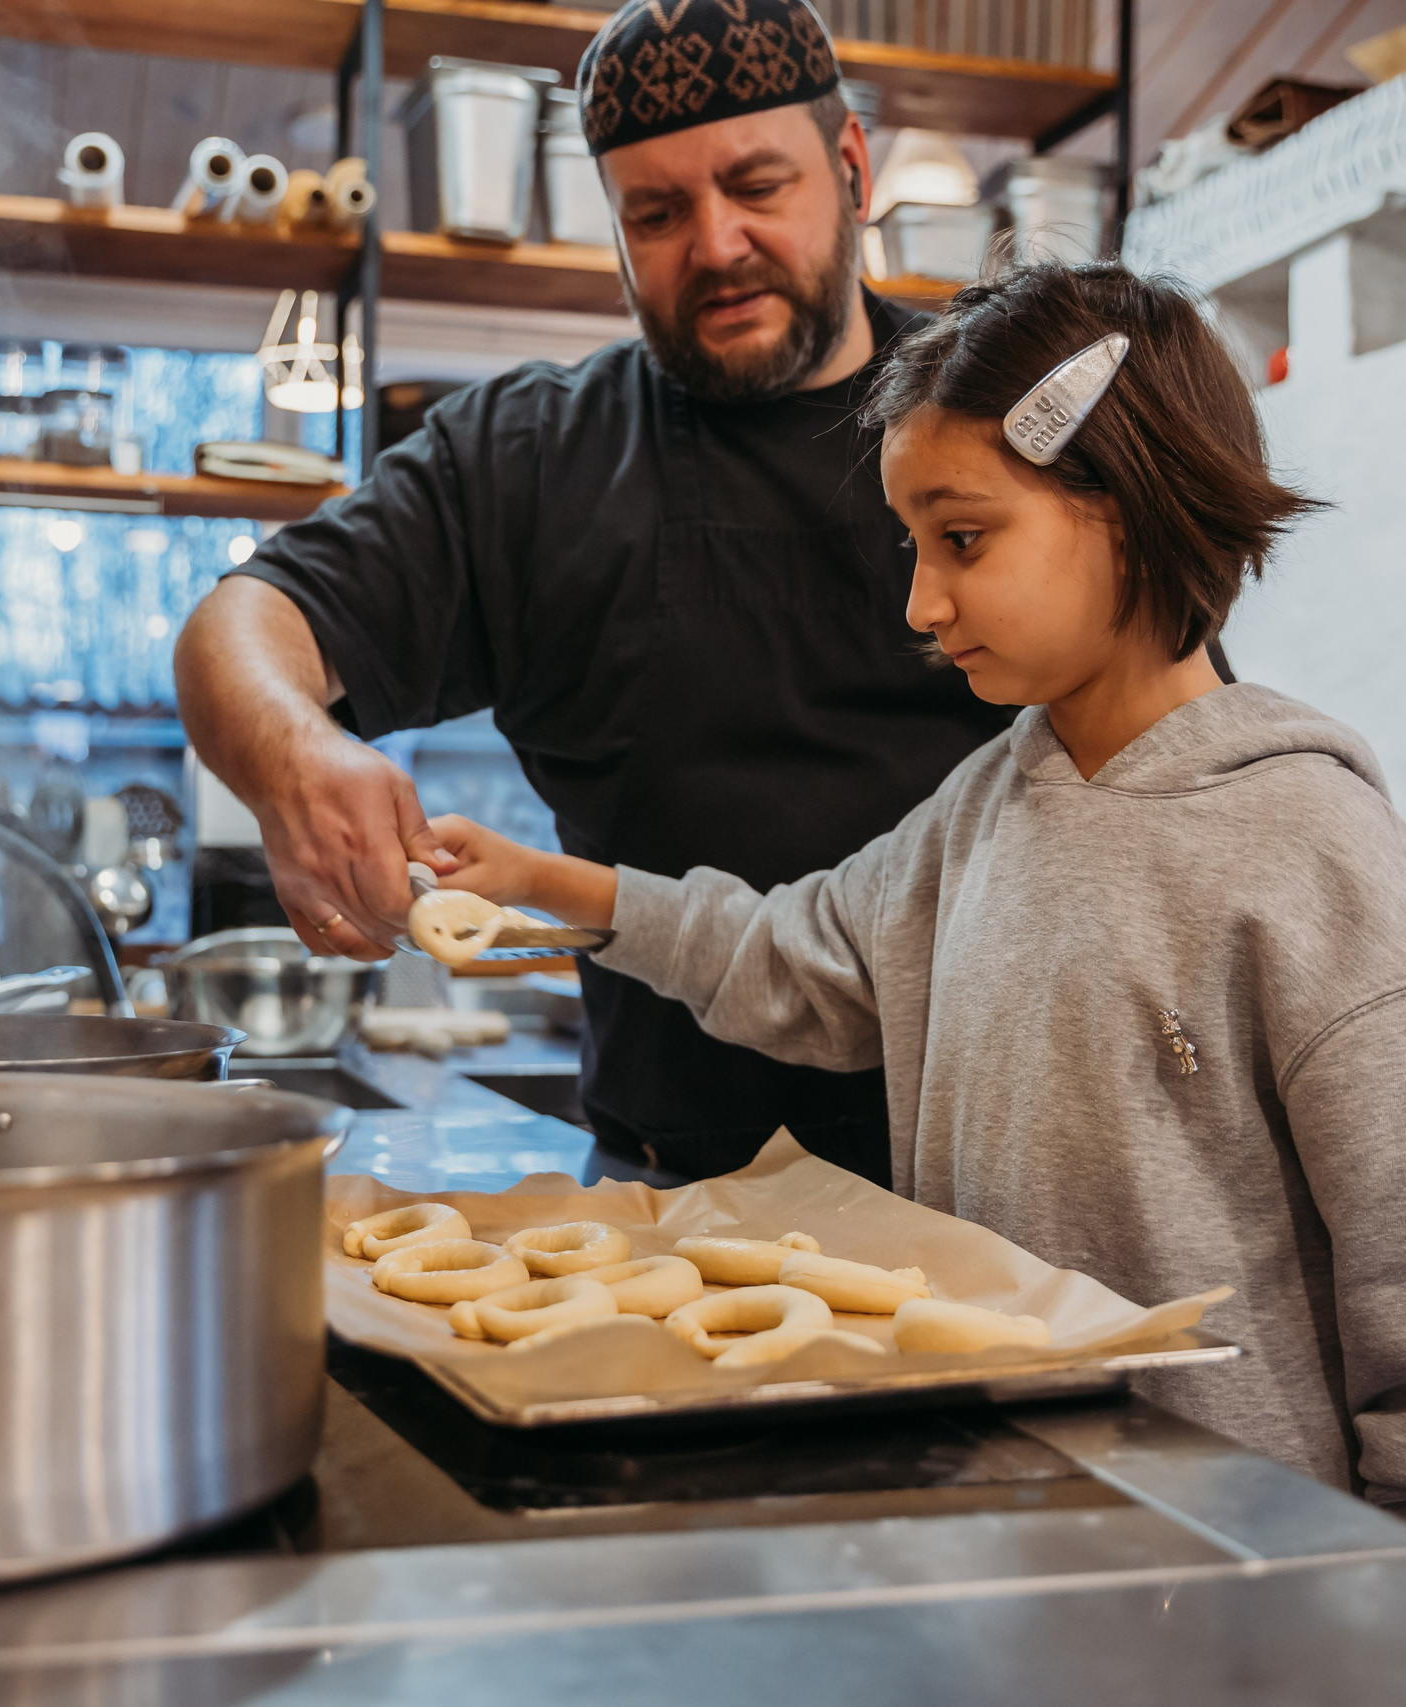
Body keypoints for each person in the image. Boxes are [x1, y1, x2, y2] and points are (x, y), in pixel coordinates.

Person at [417, 262, 1406, 1565]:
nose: (920, 603)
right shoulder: (980, 811)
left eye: (962, 538)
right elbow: (797, 956)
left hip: (1243, 1575)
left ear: (1128, 511)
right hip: (999, 1536)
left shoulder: (1308, 852)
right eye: (912, 545)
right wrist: (548, 883)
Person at [177, 0, 1018, 1184]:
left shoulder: (994, 421)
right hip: (668, 1198)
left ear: (850, 169)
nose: (716, 244)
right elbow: (242, 623)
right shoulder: (529, 461)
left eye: (757, 186)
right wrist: (291, 759)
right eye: (657, 213)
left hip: (1006, 1180)